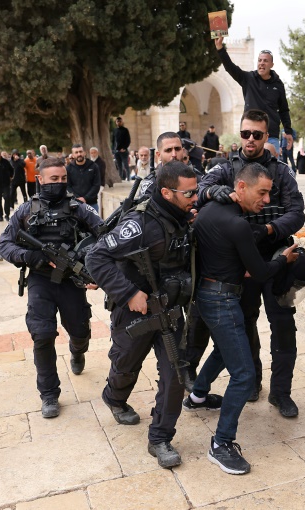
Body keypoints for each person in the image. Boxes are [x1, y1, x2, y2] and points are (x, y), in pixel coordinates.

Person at [88, 161, 206, 469]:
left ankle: (160, 438)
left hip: (170, 310)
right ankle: (114, 397)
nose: (196, 196)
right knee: (126, 363)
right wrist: (128, 293)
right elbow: (96, 257)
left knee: (176, 374)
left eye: (196, 189)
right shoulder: (139, 224)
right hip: (135, 313)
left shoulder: (183, 217)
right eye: (189, 192)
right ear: (167, 192)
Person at [189, 162, 299, 475]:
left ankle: (197, 395)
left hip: (208, 294)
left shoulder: (210, 210)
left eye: (269, 193)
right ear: (240, 188)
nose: (266, 200)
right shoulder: (237, 224)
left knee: (226, 350)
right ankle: (221, 443)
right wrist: (284, 259)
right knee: (244, 375)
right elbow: (262, 272)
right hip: (223, 300)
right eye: (261, 192)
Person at [195, 109, 305, 417]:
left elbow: (297, 213)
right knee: (244, 325)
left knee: (283, 326)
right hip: (239, 264)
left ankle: (281, 393)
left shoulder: (281, 172)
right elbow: (200, 191)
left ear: (266, 135)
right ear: (240, 133)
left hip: (275, 257)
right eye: (246, 133)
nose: (251, 140)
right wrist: (216, 191)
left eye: (257, 134)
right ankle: (253, 382)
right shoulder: (224, 168)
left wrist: (268, 229)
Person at [0, 157, 103, 418]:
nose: (58, 184)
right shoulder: (25, 211)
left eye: (63, 179)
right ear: (40, 180)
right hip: (41, 280)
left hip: (71, 281)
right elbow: (4, 244)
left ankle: (78, 352)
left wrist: (94, 268)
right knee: (42, 334)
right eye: (53, 179)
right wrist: (28, 256)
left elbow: (106, 235)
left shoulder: (80, 209)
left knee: (79, 330)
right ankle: (49, 395)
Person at [214, 37, 294, 153]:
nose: (261, 63)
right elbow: (230, 67)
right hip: (250, 135)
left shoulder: (278, 85)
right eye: (259, 60)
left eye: (265, 61)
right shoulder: (248, 79)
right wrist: (220, 48)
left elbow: (283, 110)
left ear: (271, 64)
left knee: (271, 168)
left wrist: (288, 131)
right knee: (250, 169)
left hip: (271, 136)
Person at [66, 144, 102, 212]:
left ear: (84, 153)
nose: (79, 154)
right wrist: (77, 198)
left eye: (80, 151)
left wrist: (85, 198)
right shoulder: (68, 168)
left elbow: (96, 185)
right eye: (76, 152)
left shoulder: (94, 166)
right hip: (75, 203)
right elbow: (68, 186)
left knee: (94, 222)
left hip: (92, 203)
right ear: (73, 155)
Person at [113, 117, 131, 181]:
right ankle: (120, 178)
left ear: (122, 122)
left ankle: (128, 178)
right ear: (116, 122)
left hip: (124, 151)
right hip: (116, 151)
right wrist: (113, 150)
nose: (118, 123)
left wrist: (124, 148)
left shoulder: (125, 130)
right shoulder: (115, 130)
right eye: (117, 121)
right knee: (119, 166)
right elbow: (113, 141)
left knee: (126, 165)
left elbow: (128, 140)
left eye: (120, 121)